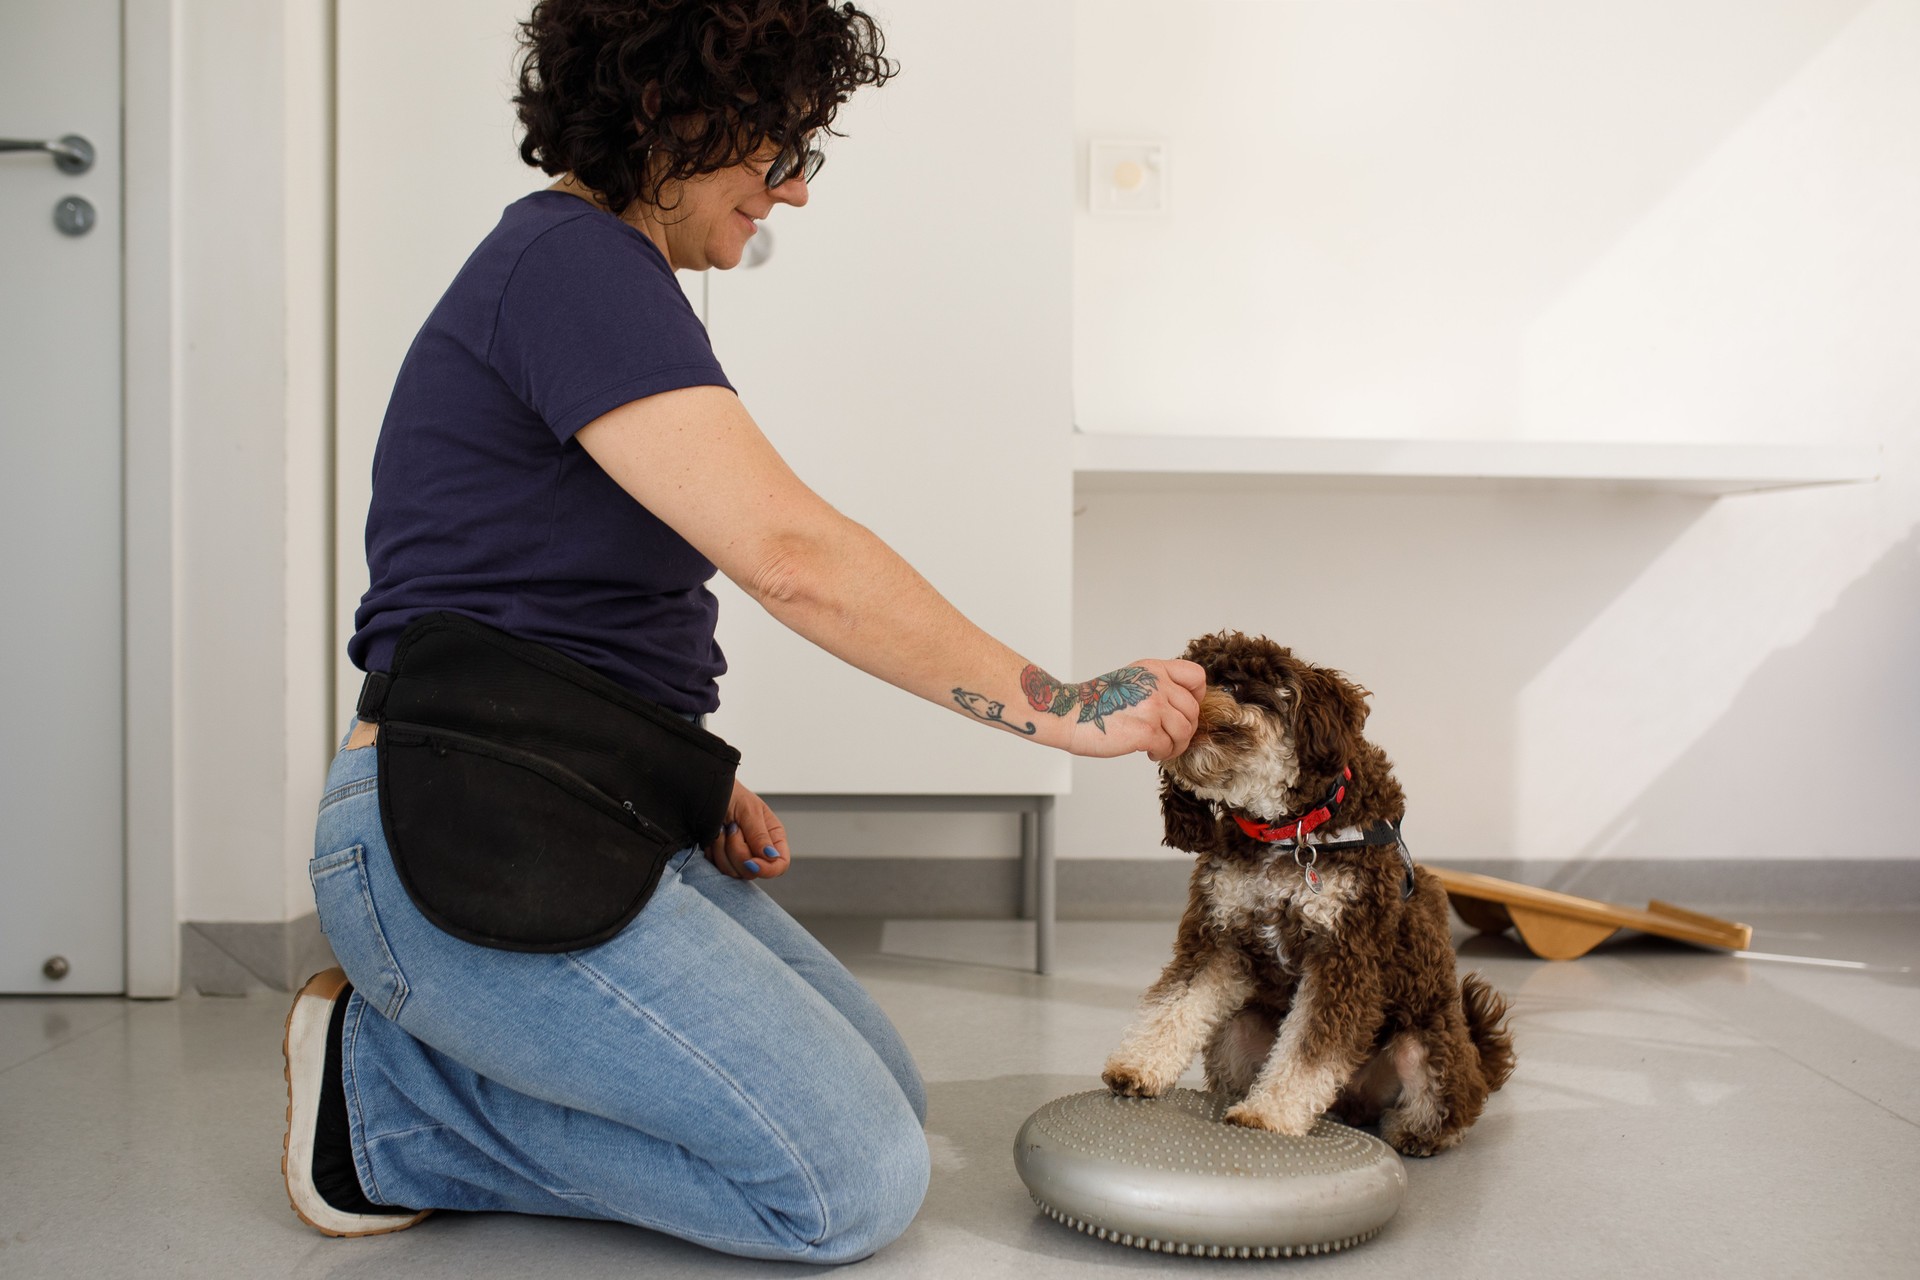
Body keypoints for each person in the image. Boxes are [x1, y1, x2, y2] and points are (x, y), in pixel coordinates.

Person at [283, 0, 1204, 1263]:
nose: (794, 191)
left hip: (559, 796)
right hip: (447, 831)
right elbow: (792, 559)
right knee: (844, 1186)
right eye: (776, 152)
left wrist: (685, 771)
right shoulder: (571, 264)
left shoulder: (605, 276)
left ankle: (446, 1060)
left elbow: (553, 606)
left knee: (892, 1099)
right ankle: (390, 1103)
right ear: (670, 115)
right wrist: (1061, 704)